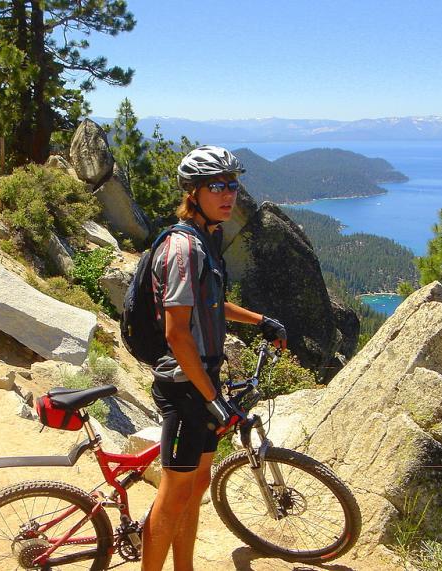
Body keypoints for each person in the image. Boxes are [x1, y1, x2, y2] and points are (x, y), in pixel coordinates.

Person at [141, 145, 287, 571]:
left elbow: (212, 304)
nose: (229, 194)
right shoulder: (184, 249)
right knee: (171, 499)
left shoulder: (206, 241)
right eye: (217, 186)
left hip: (202, 384)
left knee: (195, 487)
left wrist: (261, 320)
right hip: (186, 388)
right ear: (194, 192)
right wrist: (213, 398)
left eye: (233, 185)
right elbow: (177, 332)